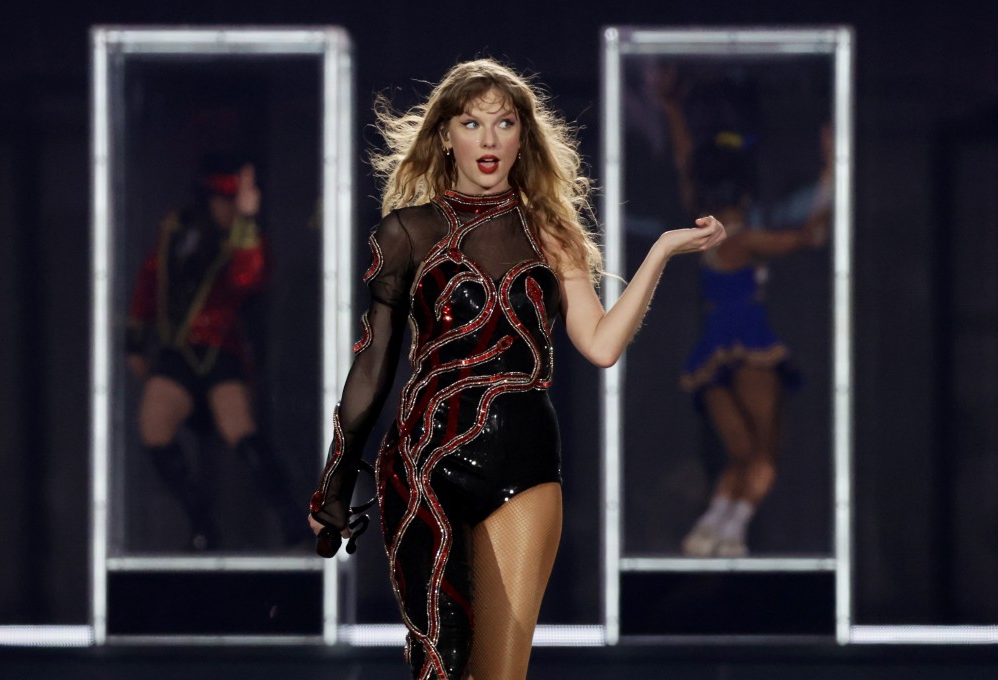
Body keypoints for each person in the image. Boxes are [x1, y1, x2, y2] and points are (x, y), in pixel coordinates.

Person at [307, 58, 725, 679]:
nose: (489, 139)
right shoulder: (406, 233)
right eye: (472, 122)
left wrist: (661, 250)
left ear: (522, 137)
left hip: (525, 461)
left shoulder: (553, 235)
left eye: (505, 123)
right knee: (439, 665)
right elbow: (374, 364)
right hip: (422, 463)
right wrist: (336, 483)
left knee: (501, 673)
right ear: (445, 136)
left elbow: (602, 344)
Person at [657, 76, 834, 558]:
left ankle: (714, 527)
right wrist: (830, 172)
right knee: (765, 459)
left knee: (743, 455)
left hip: (713, 353)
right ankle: (728, 530)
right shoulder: (739, 238)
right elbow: (810, 236)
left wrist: (673, 110)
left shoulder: (703, 226)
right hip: (749, 347)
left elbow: (684, 163)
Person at [127, 152, 305, 550]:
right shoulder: (176, 228)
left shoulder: (242, 237)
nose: (225, 207)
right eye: (220, 200)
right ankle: (201, 520)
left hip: (220, 347)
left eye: (232, 200)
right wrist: (136, 335)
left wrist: (246, 219)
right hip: (178, 349)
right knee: (154, 430)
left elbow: (249, 277)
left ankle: (290, 515)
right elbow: (152, 278)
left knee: (241, 432)